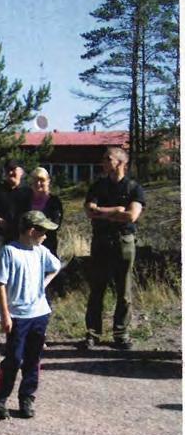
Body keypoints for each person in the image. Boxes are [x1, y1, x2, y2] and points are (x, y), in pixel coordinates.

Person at [0, 210, 61, 419]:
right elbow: (0, 284)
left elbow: (55, 267)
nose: (46, 235)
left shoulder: (41, 251)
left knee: (33, 359)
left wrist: (43, 284)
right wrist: (5, 314)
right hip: (18, 316)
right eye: (43, 231)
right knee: (14, 359)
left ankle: (27, 398)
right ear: (31, 231)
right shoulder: (10, 251)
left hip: (40, 314)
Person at [82, 147, 146, 350]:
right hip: (100, 241)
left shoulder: (134, 188)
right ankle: (93, 333)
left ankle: (121, 333)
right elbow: (89, 211)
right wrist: (116, 210)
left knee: (123, 290)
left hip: (123, 242)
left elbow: (131, 216)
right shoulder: (98, 186)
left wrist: (103, 212)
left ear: (120, 162)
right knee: (97, 288)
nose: (103, 162)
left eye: (107, 158)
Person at [0, 159, 33, 321]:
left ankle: (15, 311)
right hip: (1, 237)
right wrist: (0, 221)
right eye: (8, 170)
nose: (11, 173)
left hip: (21, 240)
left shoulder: (28, 192)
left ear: (22, 172)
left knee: (20, 276)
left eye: (14, 170)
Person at [29, 167, 63, 256]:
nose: (38, 183)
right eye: (35, 180)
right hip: (27, 245)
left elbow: (56, 223)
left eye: (41, 180)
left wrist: (39, 233)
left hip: (47, 245)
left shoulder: (54, 201)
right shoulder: (25, 200)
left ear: (48, 181)